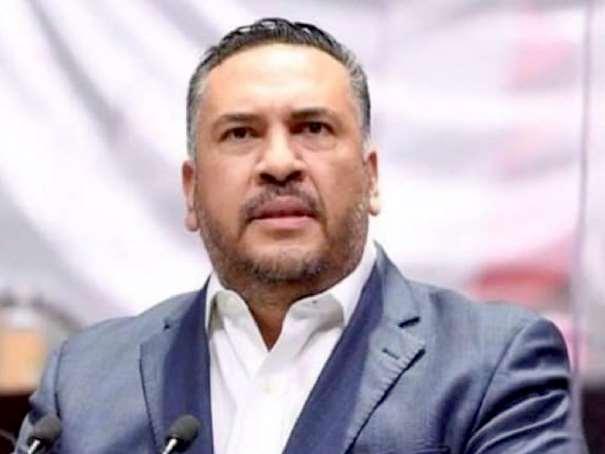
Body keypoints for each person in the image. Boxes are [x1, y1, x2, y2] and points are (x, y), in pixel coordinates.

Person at [16, 18, 586, 453]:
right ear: (191, 191)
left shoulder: (491, 365)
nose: (279, 163)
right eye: (240, 134)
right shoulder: (84, 380)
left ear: (371, 177)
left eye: (313, 128)